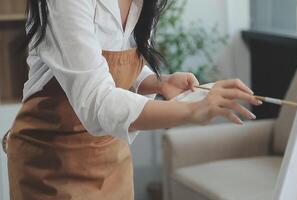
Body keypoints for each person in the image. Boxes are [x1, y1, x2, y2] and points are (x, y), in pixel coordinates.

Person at [3, 0, 262, 199]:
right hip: (51, 166)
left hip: (113, 162)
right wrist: (192, 111)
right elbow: (97, 101)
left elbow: (115, 66)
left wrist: (158, 82)